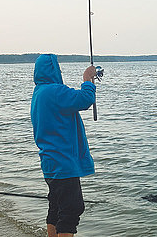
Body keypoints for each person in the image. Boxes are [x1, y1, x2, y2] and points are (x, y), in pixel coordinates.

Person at [31, 54, 96, 237]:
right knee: (72, 210)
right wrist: (87, 79)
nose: (59, 72)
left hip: (50, 163)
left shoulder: (39, 93)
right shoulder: (55, 91)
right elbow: (84, 99)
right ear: (52, 70)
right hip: (64, 163)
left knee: (56, 207)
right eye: (58, 69)